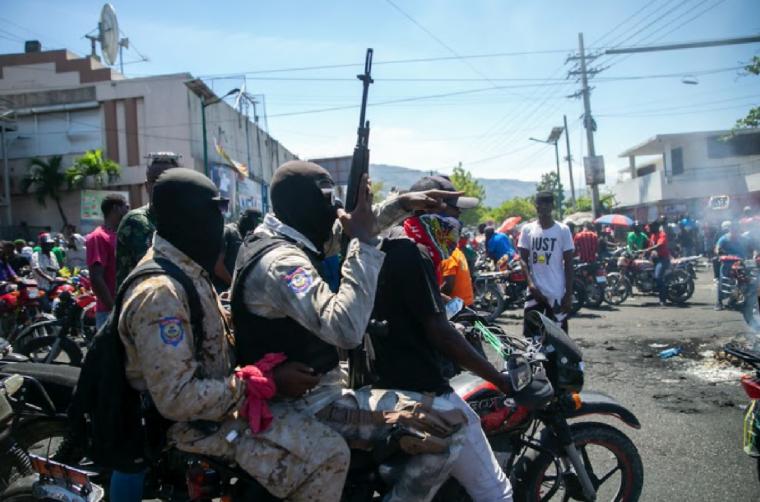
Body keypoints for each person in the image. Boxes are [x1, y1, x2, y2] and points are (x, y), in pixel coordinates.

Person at [231, 161, 468, 502]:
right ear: (303, 204)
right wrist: (366, 243)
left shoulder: (284, 238)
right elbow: (346, 329)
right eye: (329, 200)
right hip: (310, 407)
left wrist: (402, 205)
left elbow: (348, 230)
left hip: (320, 394)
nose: (337, 209)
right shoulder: (282, 264)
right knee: (448, 426)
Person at [115, 168, 350, 501]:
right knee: (329, 453)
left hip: (223, 407)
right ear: (184, 217)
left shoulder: (186, 266)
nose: (219, 223)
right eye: (212, 211)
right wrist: (264, 383)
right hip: (195, 427)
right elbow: (176, 398)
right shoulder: (160, 293)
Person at [370, 208, 514, 502]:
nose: (456, 220)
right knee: (496, 491)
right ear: (425, 210)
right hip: (424, 389)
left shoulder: (388, 244)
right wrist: (500, 379)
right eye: (450, 210)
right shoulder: (415, 252)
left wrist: (465, 312)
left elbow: (427, 302)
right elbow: (439, 332)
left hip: (390, 381)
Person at [116, 153, 180, 285]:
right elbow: (159, 266)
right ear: (146, 186)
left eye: (168, 180)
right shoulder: (137, 221)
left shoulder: (180, 220)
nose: (160, 185)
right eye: (155, 180)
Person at [517, 191, 574, 333]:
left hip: (557, 293)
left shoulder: (563, 230)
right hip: (535, 293)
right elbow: (523, 260)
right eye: (540, 203)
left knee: (559, 338)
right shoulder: (527, 230)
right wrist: (531, 285)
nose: (544, 206)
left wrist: (568, 294)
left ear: (552, 206)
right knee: (533, 338)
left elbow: (569, 264)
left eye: (548, 203)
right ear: (536, 206)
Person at [86, 194, 128, 329]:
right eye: (125, 207)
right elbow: (96, 278)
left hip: (125, 308)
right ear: (116, 208)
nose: (128, 211)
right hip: (109, 312)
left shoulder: (119, 234)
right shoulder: (98, 237)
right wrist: (113, 309)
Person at [714, 220, 752, 310]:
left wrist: (754, 253)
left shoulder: (744, 238)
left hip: (741, 263)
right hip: (728, 263)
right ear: (730, 229)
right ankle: (719, 302)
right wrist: (719, 252)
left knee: (743, 281)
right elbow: (717, 247)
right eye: (733, 229)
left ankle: (734, 300)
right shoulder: (724, 238)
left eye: (736, 229)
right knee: (723, 282)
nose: (735, 231)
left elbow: (752, 246)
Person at [647, 221, 671, 307]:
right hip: (655, 259)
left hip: (663, 259)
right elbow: (650, 246)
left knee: (658, 277)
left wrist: (648, 250)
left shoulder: (662, 234)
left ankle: (663, 299)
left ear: (655, 227)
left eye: (651, 227)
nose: (649, 229)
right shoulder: (653, 235)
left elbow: (659, 245)